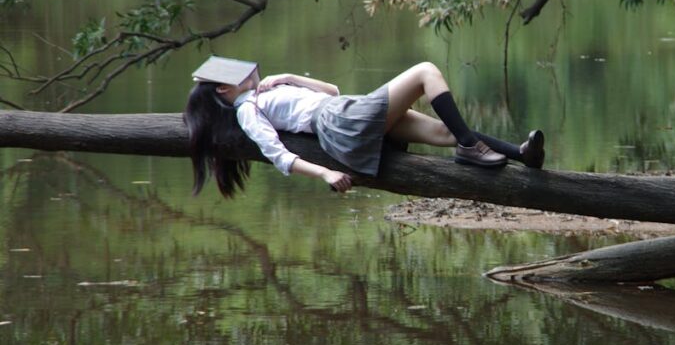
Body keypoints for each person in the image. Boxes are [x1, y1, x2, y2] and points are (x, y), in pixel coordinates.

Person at [184, 60, 545, 197]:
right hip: (340, 121)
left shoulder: (266, 91)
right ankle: (470, 148)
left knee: (444, 133)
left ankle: (520, 154)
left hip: (342, 108)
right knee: (425, 72)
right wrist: (325, 174)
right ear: (223, 89)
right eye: (241, 74)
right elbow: (277, 154)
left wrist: (290, 77)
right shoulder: (248, 110)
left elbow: (332, 91)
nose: (251, 72)